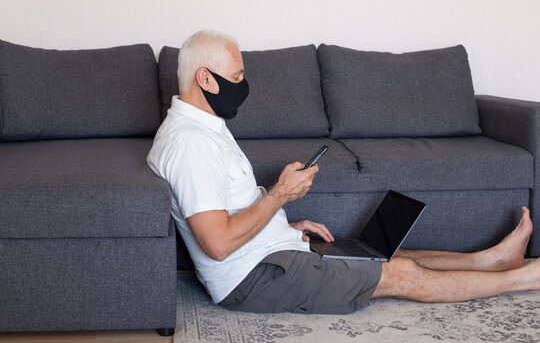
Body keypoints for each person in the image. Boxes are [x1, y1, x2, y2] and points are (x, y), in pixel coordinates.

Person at [147, 30, 540, 314]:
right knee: (401, 274)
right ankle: (522, 279)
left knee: (378, 256)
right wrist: (279, 195)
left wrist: (284, 223)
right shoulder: (190, 144)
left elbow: (227, 208)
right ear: (204, 77)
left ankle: (491, 261)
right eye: (236, 77)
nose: (243, 85)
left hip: (271, 253)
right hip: (255, 279)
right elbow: (217, 244)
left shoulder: (202, 128)